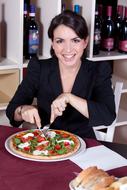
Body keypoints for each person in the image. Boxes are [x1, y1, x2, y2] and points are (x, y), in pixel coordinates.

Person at [6, 10, 116, 138]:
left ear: (85, 42)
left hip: (84, 143)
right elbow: (11, 110)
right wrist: (22, 110)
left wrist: (69, 97)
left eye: (75, 40)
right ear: (52, 43)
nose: (68, 49)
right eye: (60, 41)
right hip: (46, 143)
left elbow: (108, 116)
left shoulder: (99, 70)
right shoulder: (39, 68)